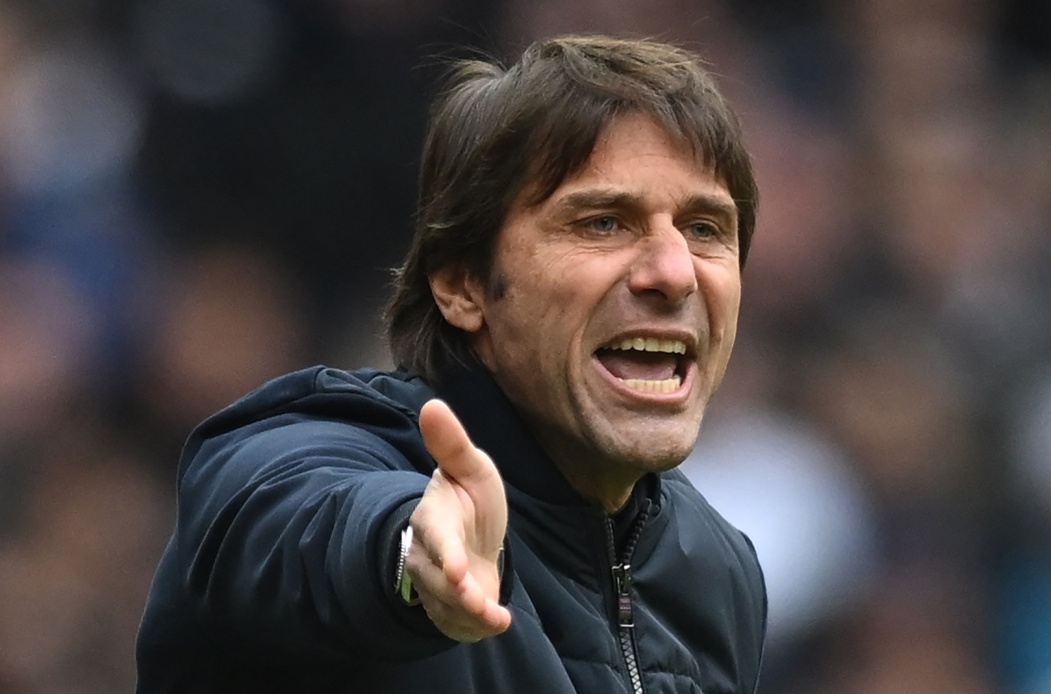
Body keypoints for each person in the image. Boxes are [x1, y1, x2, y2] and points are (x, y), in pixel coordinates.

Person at [135, 34, 767, 693]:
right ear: (463, 283)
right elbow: (281, 514)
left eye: (704, 229)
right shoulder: (318, 445)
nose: (675, 273)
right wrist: (411, 554)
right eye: (602, 222)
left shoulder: (719, 572)